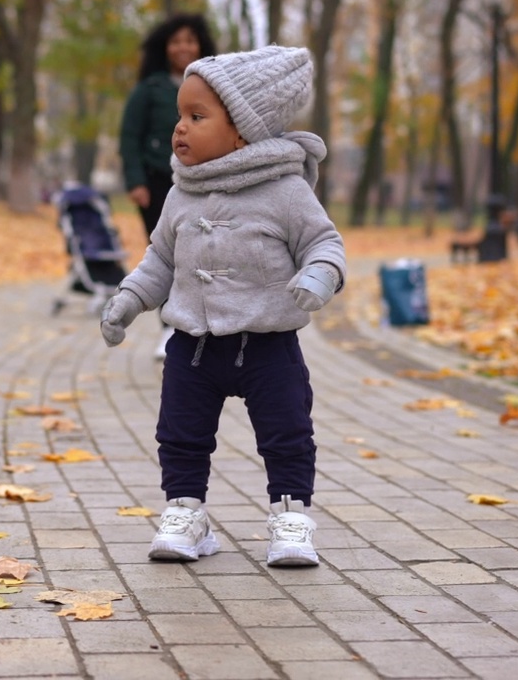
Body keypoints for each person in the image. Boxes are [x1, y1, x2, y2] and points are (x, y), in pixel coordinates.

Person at [101, 46, 345, 567]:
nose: (180, 128)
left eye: (197, 116)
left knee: (287, 433)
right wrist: (128, 300)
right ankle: (186, 512)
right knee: (180, 434)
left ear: (242, 131)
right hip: (192, 346)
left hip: (268, 345)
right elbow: (160, 260)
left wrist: (320, 276)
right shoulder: (180, 194)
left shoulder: (286, 191)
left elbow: (324, 243)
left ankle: (291, 515)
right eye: (179, 116)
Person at [119, 14, 218, 359]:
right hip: (158, 183)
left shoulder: (215, 85)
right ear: (165, 47)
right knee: (166, 256)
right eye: (176, 41)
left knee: (199, 253)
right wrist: (135, 181)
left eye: (190, 40)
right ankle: (169, 329)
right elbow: (130, 137)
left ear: (201, 43)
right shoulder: (149, 90)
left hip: (203, 182)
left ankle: (204, 326)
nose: (183, 47)